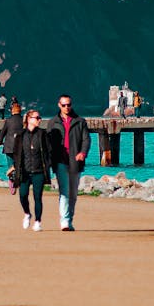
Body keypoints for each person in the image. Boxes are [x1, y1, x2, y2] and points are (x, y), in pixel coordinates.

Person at [47, 95, 91, 231]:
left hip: (75, 161)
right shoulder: (53, 122)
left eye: (69, 104)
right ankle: (64, 221)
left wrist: (82, 153)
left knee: (73, 193)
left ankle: (69, 219)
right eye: (64, 105)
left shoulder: (80, 121)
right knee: (64, 191)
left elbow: (86, 140)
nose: (67, 107)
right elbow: (48, 143)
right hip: (60, 160)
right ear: (59, 105)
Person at [12, 109, 51, 231]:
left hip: (39, 171)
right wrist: (15, 167)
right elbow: (16, 153)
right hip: (25, 171)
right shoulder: (20, 135)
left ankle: (38, 221)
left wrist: (48, 164)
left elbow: (49, 151)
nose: (39, 120)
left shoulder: (43, 134)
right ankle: (27, 214)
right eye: (37, 117)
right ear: (29, 119)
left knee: (37, 197)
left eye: (39, 117)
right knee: (23, 195)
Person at [0, 101, 24, 188]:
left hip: (9, 146)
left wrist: (0, 141)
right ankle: (19, 180)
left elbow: (3, 131)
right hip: (20, 146)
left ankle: (11, 180)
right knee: (20, 163)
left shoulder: (8, 120)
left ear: (12, 111)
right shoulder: (23, 120)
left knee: (10, 164)